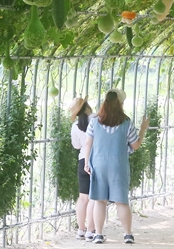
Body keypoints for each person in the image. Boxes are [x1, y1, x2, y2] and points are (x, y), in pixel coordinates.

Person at [84, 89, 149, 244]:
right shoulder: (126, 123)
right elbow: (136, 145)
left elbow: (87, 143)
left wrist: (87, 162)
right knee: (121, 201)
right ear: (120, 104)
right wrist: (143, 129)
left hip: (98, 164)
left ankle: (98, 234)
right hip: (118, 165)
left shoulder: (94, 121)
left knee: (100, 200)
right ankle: (127, 235)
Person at [70, 96, 96, 241]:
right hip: (96, 160)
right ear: (87, 106)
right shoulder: (97, 119)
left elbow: (76, 145)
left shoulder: (75, 126)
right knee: (95, 197)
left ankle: (81, 229)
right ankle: (91, 231)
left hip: (82, 161)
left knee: (83, 198)